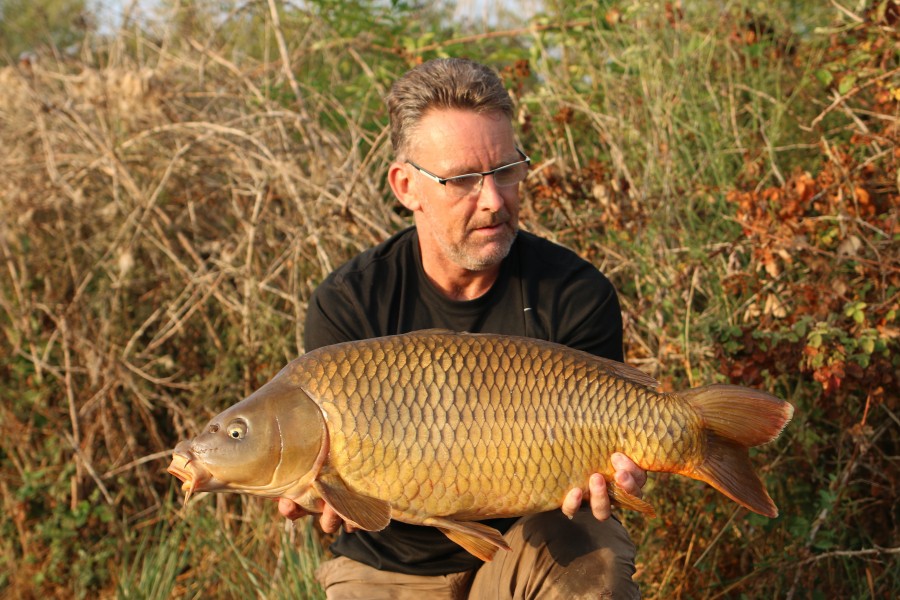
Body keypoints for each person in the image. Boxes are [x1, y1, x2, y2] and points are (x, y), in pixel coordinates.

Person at [279, 57, 646, 599]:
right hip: (389, 565)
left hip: (531, 541)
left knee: (595, 554)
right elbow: (335, 486)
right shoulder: (349, 303)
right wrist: (328, 496)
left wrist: (615, 477)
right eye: (464, 180)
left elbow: (608, 450)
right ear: (407, 187)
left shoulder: (575, 293)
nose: (494, 200)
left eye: (505, 170)